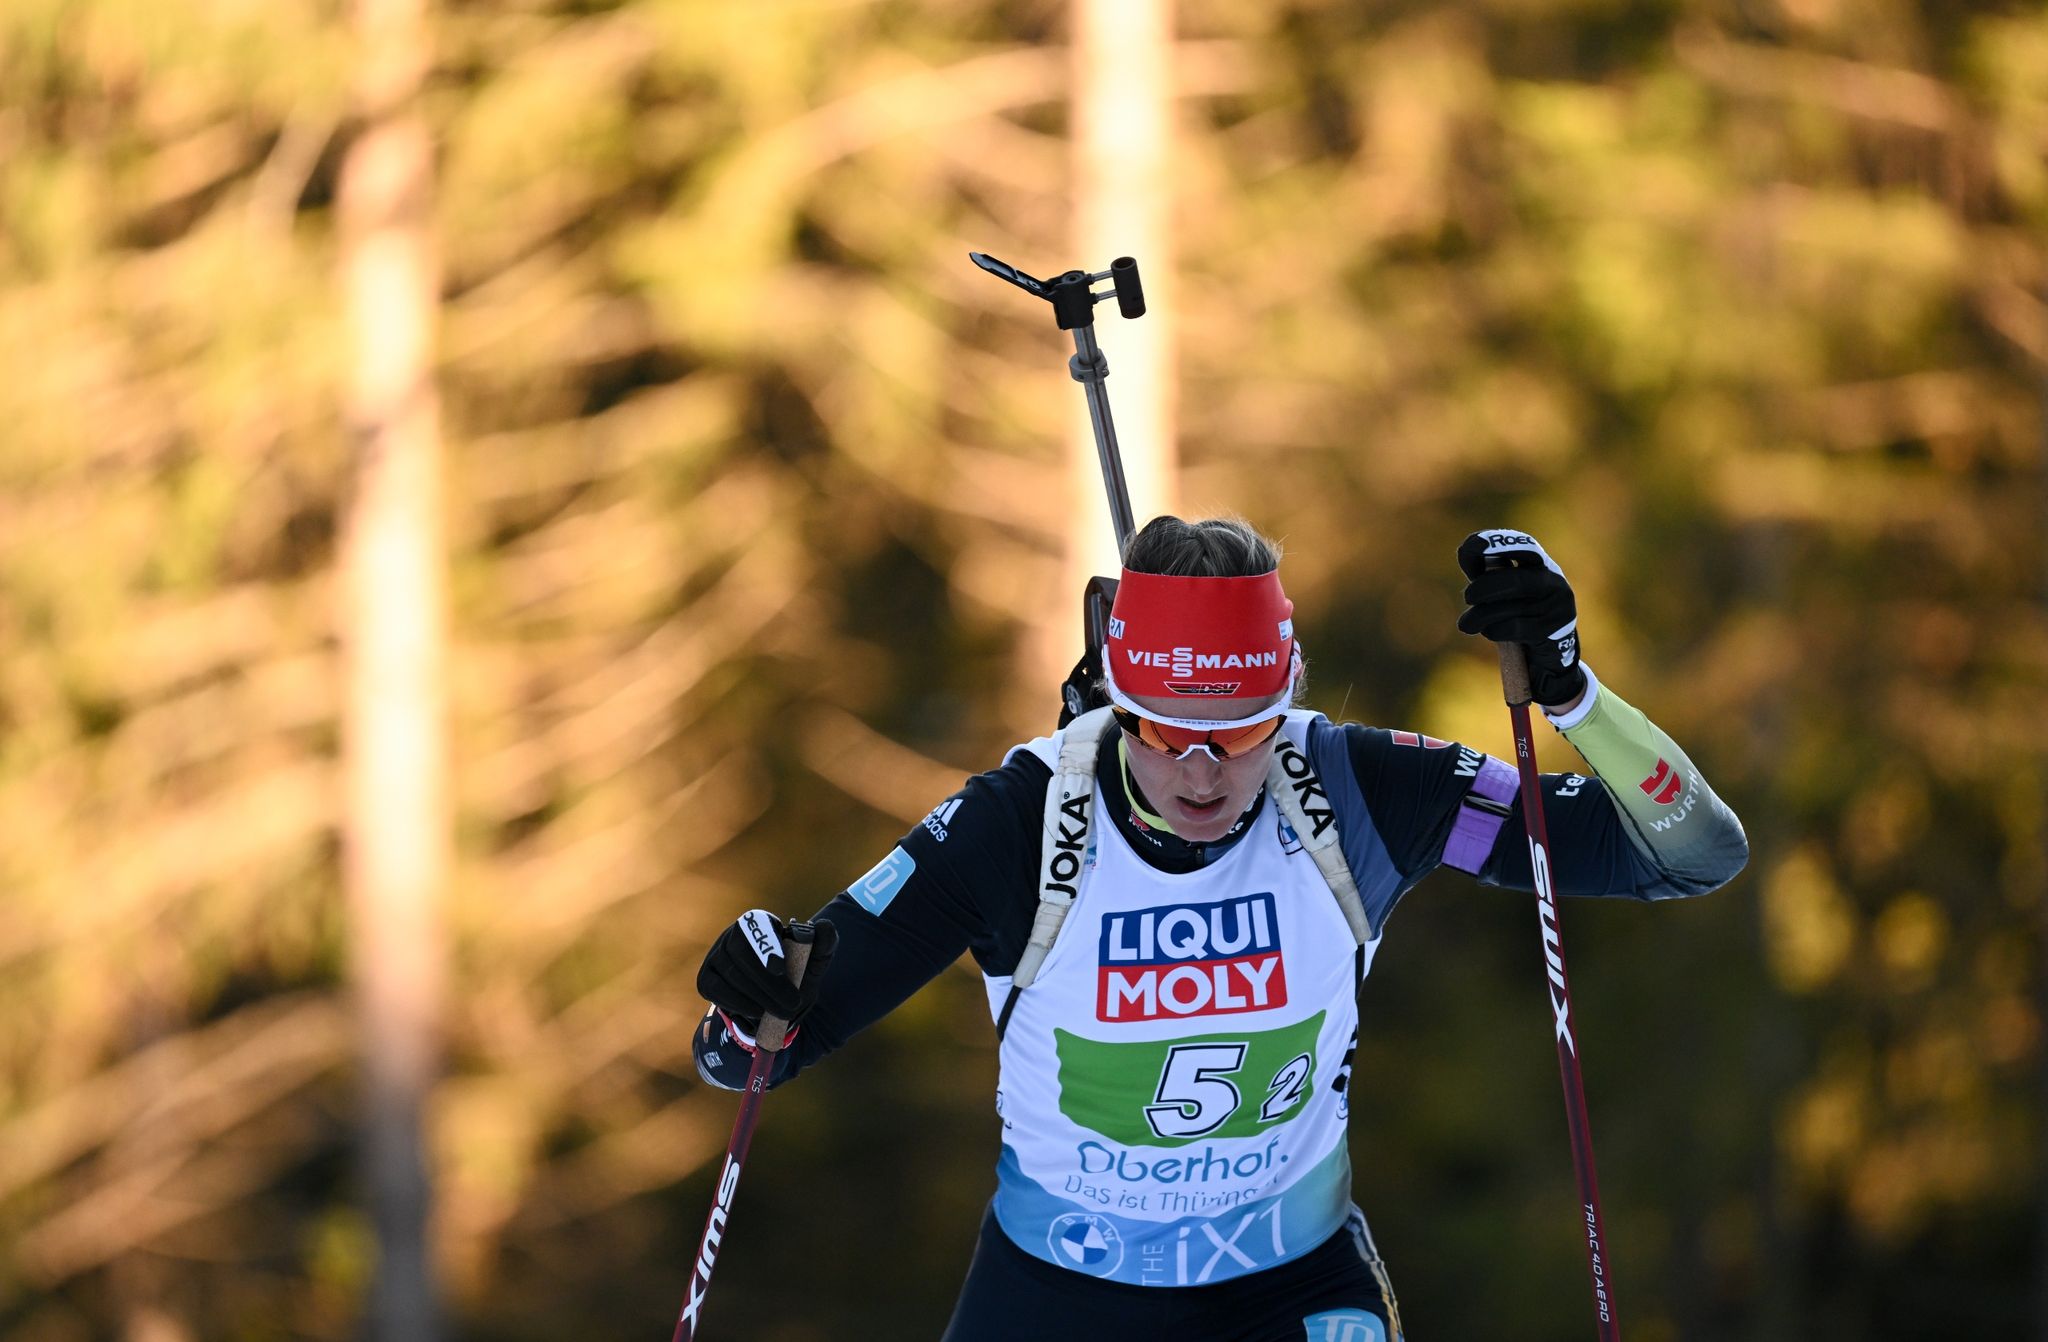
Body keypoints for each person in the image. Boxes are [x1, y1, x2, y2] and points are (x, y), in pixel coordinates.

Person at [692, 517, 1747, 1341]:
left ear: (1281, 700)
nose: (1202, 772)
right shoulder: (1019, 821)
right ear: (1111, 694)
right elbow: (756, 1051)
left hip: (1287, 1286)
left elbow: (1688, 854)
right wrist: (748, 998)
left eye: (1239, 731)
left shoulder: (1354, 786)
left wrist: (1569, 690)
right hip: (1060, 1291)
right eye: (1163, 729)